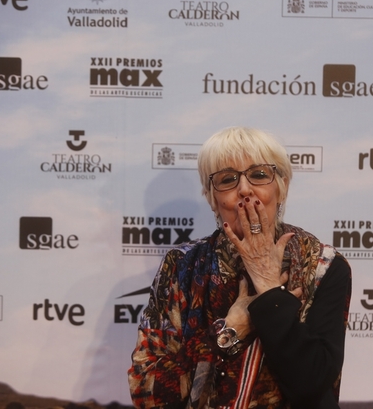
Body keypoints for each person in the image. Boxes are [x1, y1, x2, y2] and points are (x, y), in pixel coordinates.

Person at [128, 127, 352, 409]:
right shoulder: (182, 265)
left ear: (281, 188)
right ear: (212, 198)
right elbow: (146, 392)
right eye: (228, 179)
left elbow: (311, 385)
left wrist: (270, 289)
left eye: (259, 175)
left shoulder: (323, 265)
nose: (244, 189)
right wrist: (228, 331)